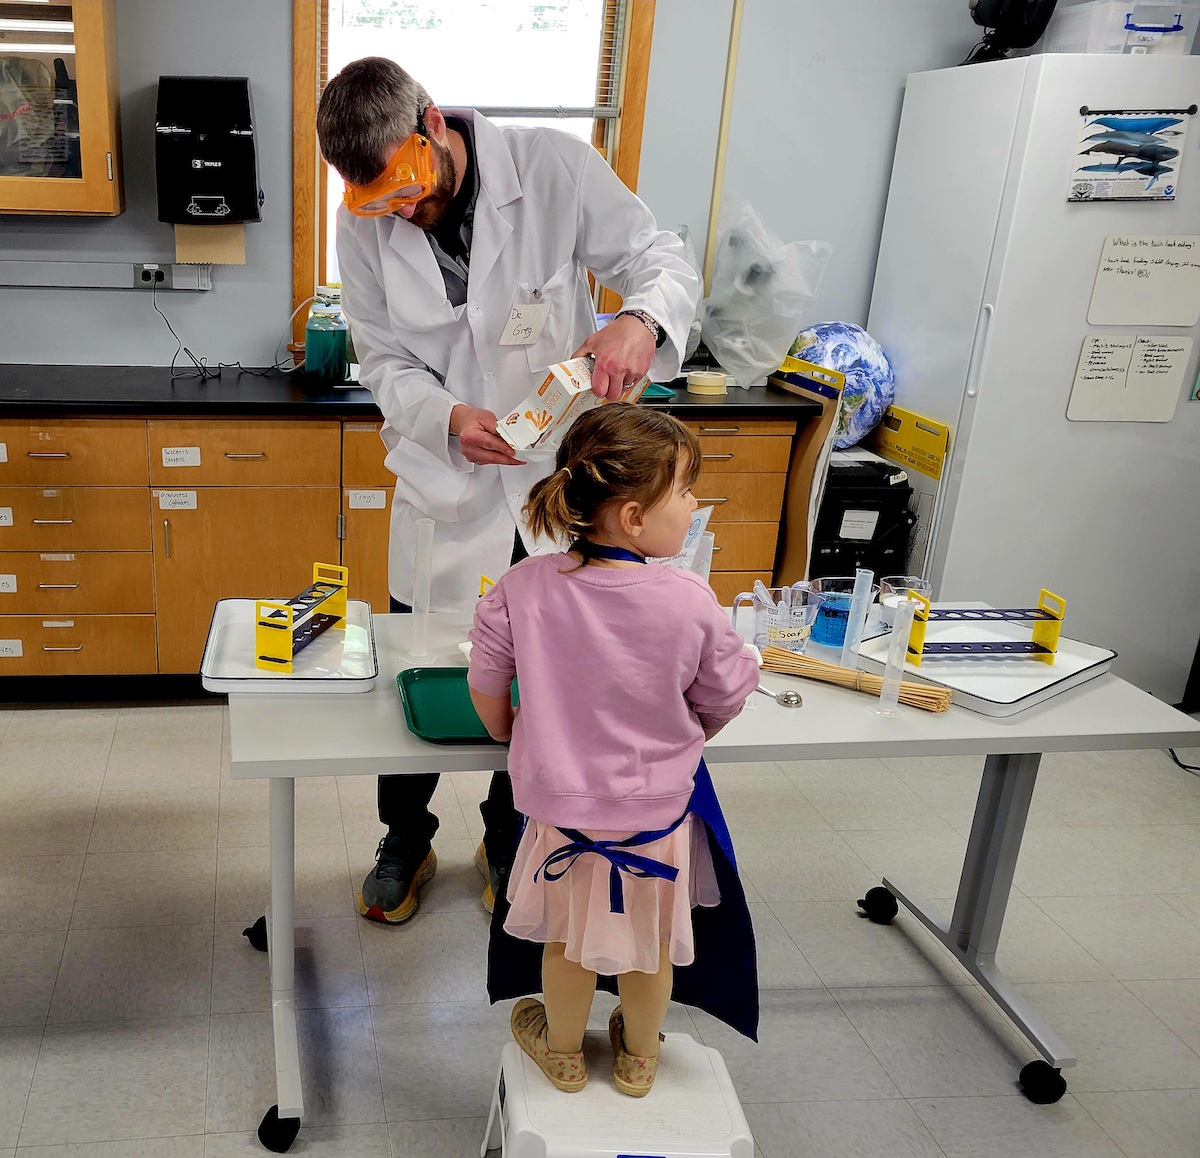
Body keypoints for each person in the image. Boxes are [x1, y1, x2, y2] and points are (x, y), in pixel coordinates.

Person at [315, 57, 700, 925]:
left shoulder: (551, 168)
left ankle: (507, 833)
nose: (401, 213)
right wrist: (447, 417)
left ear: (434, 123)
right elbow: (382, 358)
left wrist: (639, 319)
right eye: (379, 203)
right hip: (447, 482)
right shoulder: (364, 221)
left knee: (540, 672)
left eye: (407, 188)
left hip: (549, 486)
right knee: (416, 665)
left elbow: (659, 258)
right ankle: (404, 837)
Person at [467, 405, 760, 1095]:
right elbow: (726, 695)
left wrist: (507, 729)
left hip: (561, 816)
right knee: (649, 945)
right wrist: (687, 733)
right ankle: (639, 1059)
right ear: (633, 517)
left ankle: (564, 1053)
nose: (694, 505)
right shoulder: (689, 598)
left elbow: (486, 681)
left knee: (564, 941)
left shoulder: (523, 586)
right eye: (685, 491)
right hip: (658, 819)